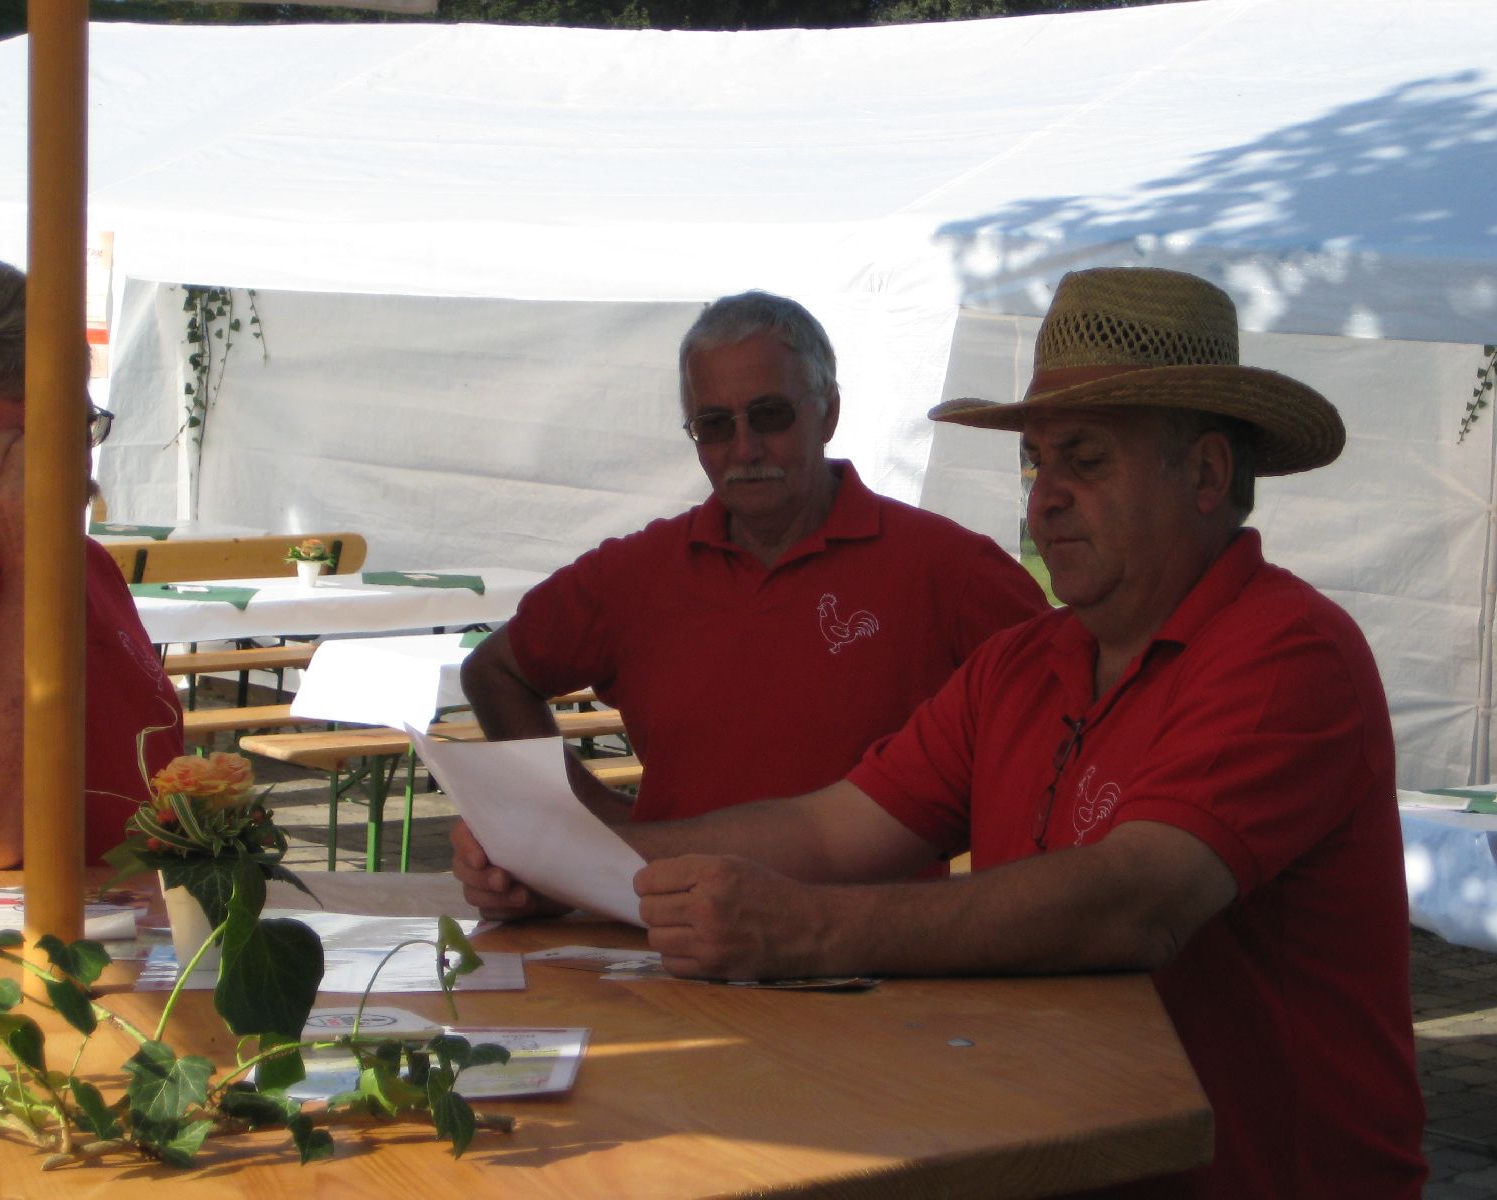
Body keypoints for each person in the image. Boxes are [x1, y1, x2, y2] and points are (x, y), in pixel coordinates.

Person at [457, 268, 1427, 1197]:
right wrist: (572, 864)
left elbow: (1133, 903)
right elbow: (830, 829)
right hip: (1053, 1156)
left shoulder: (1286, 651)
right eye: (1035, 460)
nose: (1043, 495)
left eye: (1085, 460)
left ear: (1206, 471)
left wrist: (801, 931)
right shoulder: (1024, 663)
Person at [461, 290, 1047, 828]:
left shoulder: (946, 569)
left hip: (864, 912)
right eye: (714, 426)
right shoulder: (637, 574)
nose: (744, 449)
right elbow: (495, 673)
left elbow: (1070, 713)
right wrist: (587, 819)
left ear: (829, 413)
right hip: (667, 907)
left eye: (770, 415)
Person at [0, 260, 183, 868]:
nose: (69, 463)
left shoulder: (86, 564)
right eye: (29, 440)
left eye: (78, 427)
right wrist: (31, 569)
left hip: (130, 916)